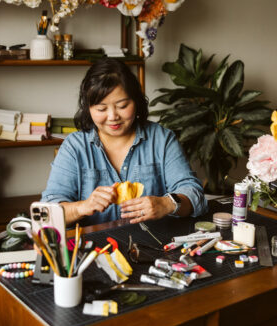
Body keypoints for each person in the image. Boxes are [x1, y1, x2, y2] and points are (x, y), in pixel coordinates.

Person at [42, 58, 207, 226]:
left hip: (154, 243)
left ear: (136, 101)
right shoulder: (74, 147)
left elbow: (195, 195)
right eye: (101, 109)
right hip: (95, 247)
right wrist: (82, 207)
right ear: (88, 108)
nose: (113, 116)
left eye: (122, 106)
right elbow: (47, 213)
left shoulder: (162, 139)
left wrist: (167, 204)